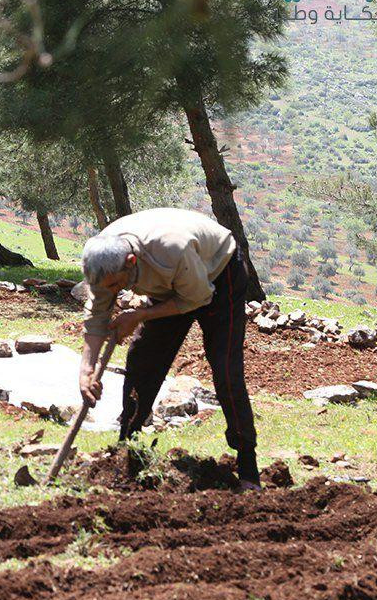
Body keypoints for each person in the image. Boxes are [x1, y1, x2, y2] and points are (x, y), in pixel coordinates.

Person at [78, 207, 260, 490]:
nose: (111, 292)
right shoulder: (104, 260)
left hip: (218, 274)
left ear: (131, 261)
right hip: (173, 282)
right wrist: (86, 369)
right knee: (143, 358)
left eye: (115, 286)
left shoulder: (172, 249)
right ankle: (127, 450)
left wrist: (139, 315)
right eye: (106, 288)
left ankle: (248, 466)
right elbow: (97, 316)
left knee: (225, 368)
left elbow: (198, 298)